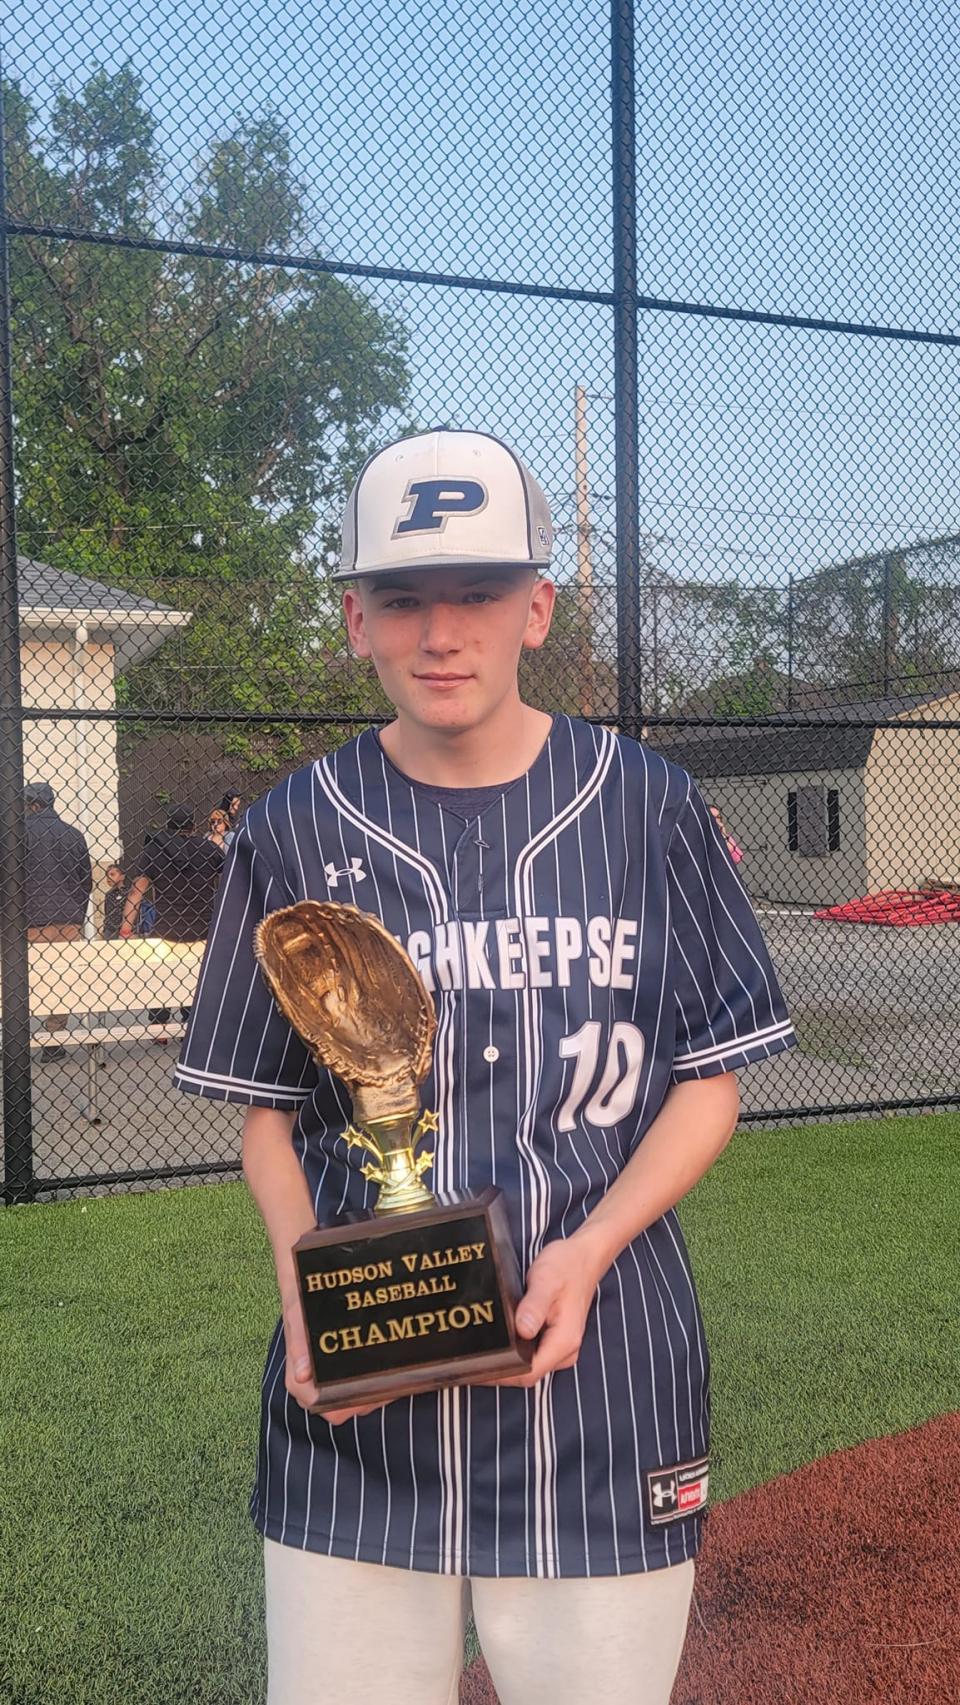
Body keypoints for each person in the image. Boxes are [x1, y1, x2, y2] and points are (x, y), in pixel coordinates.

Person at [174, 429, 797, 1705]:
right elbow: (268, 1115)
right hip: (358, 1401)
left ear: (537, 608)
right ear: (356, 619)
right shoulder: (291, 825)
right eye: (404, 599)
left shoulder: (650, 805)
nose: (441, 632)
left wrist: (595, 1241)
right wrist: (305, 1284)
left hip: (603, 1383)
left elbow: (712, 1076)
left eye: (478, 593)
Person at [120, 805, 224, 1041]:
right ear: (193, 826)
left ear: (168, 826)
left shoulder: (154, 851)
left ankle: (159, 1026)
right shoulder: (207, 848)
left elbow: (137, 891)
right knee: (196, 977)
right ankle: (191, 1022)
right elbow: (230, 877)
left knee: (162, 976)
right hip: (203, 927)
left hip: (166, 929)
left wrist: (126, 928)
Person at [24, 781, 92, 1062]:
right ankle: (53, 1040)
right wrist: (76, 911)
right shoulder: (74, 835)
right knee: (60, 980)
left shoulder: (16, 835)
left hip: (27, 920)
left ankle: (16, 1037)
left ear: (34, 805)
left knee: (21, 979)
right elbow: (86, 880)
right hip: (67, 920)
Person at [102, 863, 127, 939]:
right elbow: (107, 912)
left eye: (112, 875)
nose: (108, 878)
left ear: (122, 876)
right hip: (109, 930)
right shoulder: (108, 894)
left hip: (122, 928)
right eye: (107, 875)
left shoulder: (127, 892)